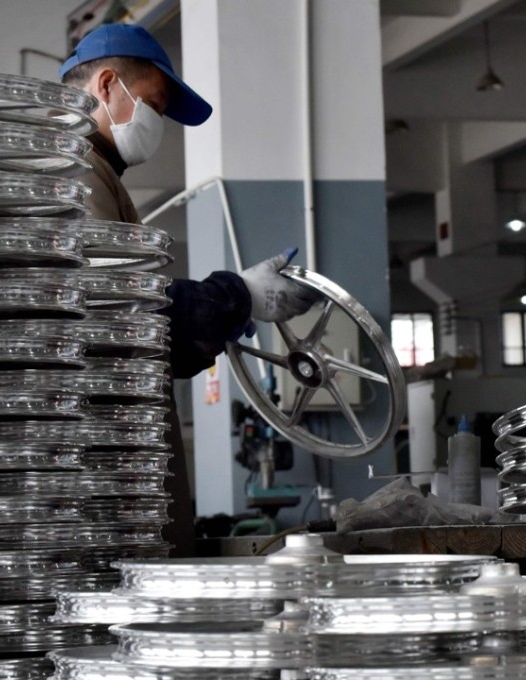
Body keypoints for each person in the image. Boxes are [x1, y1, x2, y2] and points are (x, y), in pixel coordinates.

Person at [59, 24, 319, 554]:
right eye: (153, 106)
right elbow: (118, 316)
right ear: (108, 85)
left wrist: (227, 309)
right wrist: (236, 295)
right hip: (93, 480)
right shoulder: (72, 174)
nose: (157, 127)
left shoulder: (96, 177)